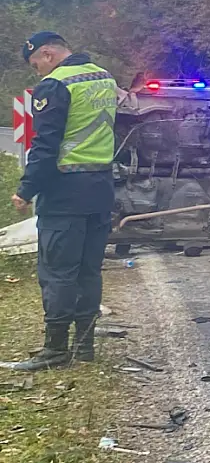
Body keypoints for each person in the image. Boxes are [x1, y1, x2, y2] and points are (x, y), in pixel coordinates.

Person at [9, 32, 117, 371]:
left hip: (65, 191)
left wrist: (26, 190)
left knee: (57, 272)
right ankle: (84, 349)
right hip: (100, 188)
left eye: (36, 63)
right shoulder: (103, 76)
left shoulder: (56, 85)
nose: (37, 71)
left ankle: (55, 351)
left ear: (47, 53)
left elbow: (45, 146)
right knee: (88, 271)